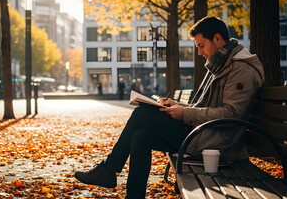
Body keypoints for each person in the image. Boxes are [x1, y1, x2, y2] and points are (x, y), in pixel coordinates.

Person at [74, 16, 265, 198]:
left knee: (141, 114)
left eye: (201, 45)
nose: (199, 52)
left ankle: (108, 170)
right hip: (202, 134)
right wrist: (179, 106)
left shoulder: (240, 69)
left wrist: (184, 113)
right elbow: (204, 107)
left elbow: (231, 114)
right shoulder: (221, 63)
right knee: (140, 136)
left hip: (215, 144)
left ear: (217, 39)